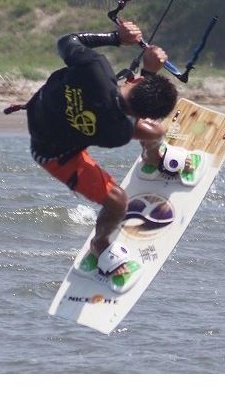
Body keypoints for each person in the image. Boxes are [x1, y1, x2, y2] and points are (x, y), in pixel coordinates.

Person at [24, 20, 178, 283]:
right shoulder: (118, 134)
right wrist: (149, 72)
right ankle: (100, 244)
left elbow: (66, 41)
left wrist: (116, 37)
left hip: (46, 118)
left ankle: (152, 158)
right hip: (54, 154)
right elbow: (128, 115)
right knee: (118, 201)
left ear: (136, 81)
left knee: (153, 135)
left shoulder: (94, 68)